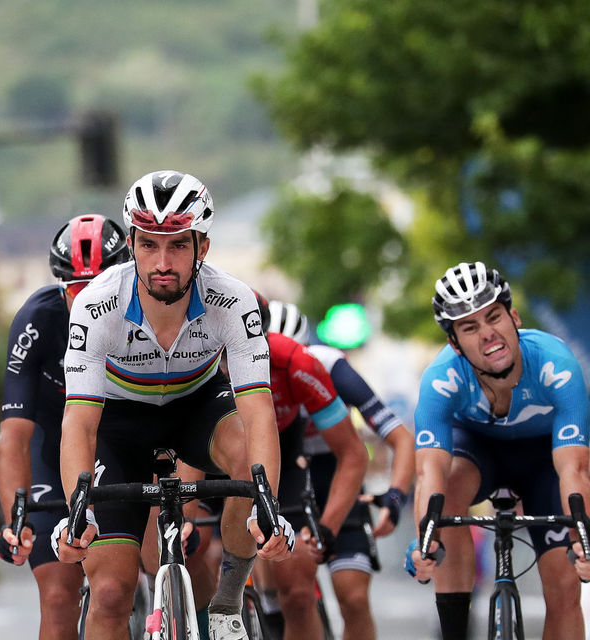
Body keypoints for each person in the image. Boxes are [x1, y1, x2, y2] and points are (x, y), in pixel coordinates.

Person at [53, 169, 295, 640]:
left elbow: (258, 412)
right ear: (133, 245)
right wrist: (77, 512)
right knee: (109, 594)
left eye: (178, 245)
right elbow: (79, 425)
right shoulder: (96, 305)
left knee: (249, 460)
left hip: (196, 407)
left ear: (202, 248)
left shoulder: (234, 300)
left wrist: (266, 507)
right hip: (119, 425)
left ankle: (226, 605)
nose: (162, 261)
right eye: (149, 245)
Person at [408, 261, 590, 640]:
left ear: (515, 317)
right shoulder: (441, 379)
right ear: (454, 343)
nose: (488, 334)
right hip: (478, 453)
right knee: (449, 492)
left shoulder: (557, 365)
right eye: (470, 327)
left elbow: (575, 468)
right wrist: (426, 539)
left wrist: (583, 538)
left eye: (494, 317)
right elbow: (430, 473)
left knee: (565, 588)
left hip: (545, 460)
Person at [0, 213, 130, 640]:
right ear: (59, 287)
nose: (91, 300)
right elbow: (14, 437)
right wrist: (13, 519)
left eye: (103, 288)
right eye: (77, 290)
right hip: (54, 446)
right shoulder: (37, 319)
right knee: (58, 596)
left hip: (123, 441)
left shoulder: (150, 313)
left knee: (156, 560)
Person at [261, 296, 414, 640]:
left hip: (337, 477)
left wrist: (395, 496)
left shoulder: (328, 366)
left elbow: (401, 439)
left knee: (354, 598)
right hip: (288, 474)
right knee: (296, 595)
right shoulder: (253, 372)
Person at [250, 303, 369, 639]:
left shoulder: (319, 364)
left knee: (348, 598)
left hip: (319, 471)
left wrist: (395, 494)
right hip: (268, 460)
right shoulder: (217, 361)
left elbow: (372, 444)